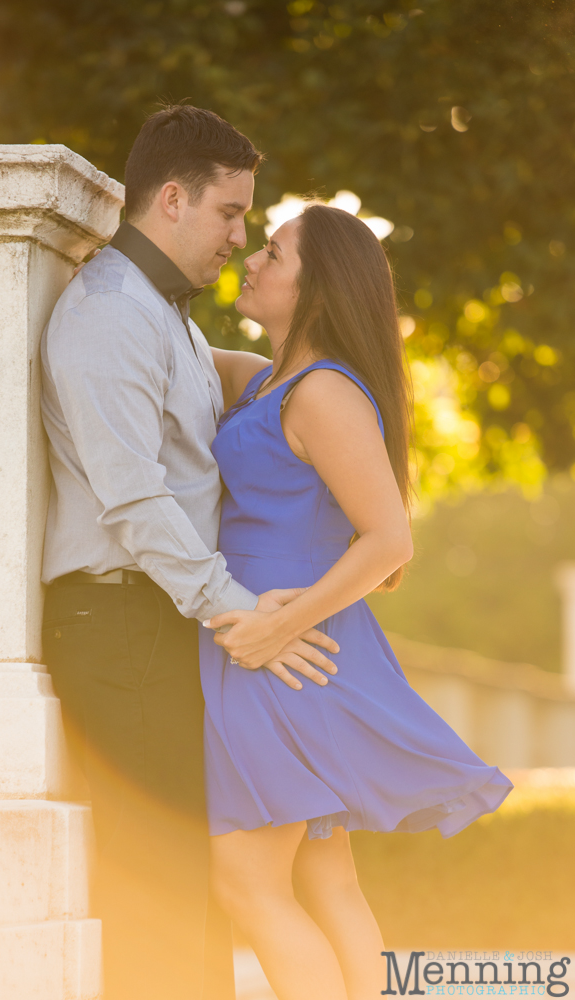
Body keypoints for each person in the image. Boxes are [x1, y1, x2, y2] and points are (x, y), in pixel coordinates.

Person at [39, 105, 338, 1000]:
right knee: (156, 879)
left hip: (160, 620)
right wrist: (240, 611)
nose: (240, 239)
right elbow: (133, 498)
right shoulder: (105, 316)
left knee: (189, 883)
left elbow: (228, 388)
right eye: (230, 213)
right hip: (120, 620)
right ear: (172, 198)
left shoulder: (157, 314)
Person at [199, 203, 514, 1000]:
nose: (252, 258)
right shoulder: (268, 379)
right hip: (282, 648)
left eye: (272, 252)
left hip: (285, 656)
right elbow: (178, 355)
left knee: (247, 884)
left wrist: (275, 629)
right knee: (326, 882)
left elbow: (388, 542)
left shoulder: (322, 393)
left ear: (317, 288)